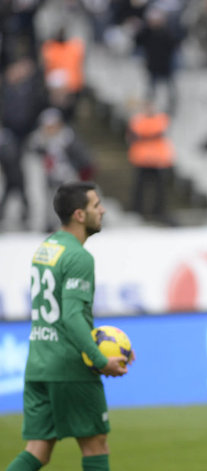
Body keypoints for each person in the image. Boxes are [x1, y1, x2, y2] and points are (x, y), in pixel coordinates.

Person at [6, 181, 130, 471]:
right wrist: (100, 360)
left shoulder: (46, 249)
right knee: (96, 445)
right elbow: (72, 317)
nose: (103, 210)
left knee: (38, 450)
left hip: (39, 364)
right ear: (79, 214)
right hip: (70, 368)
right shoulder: (79, 257)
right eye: (96, 205)